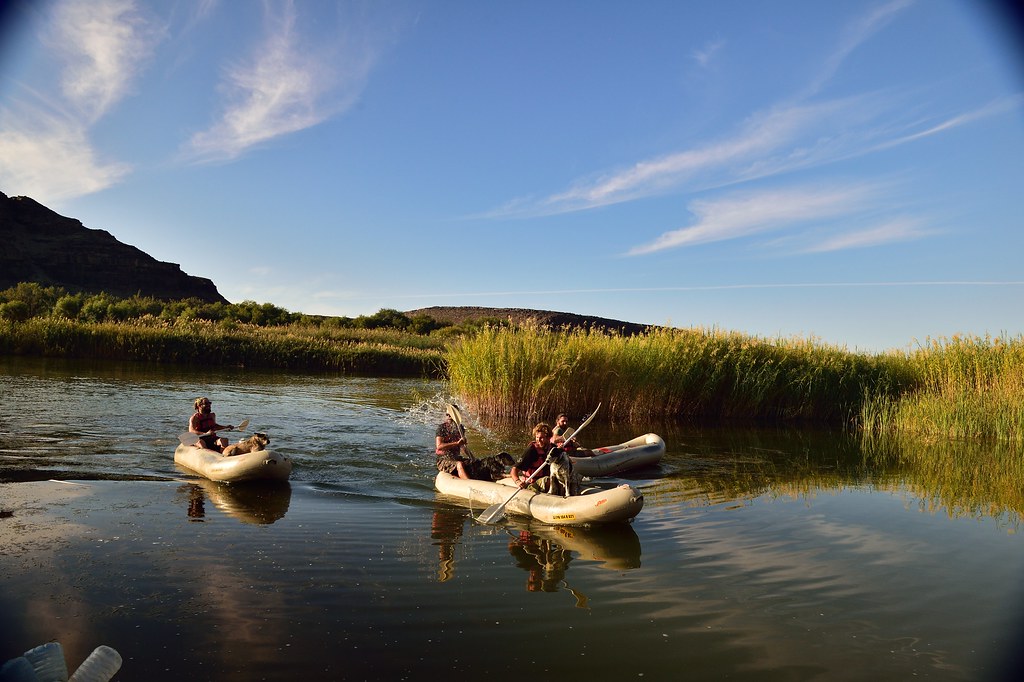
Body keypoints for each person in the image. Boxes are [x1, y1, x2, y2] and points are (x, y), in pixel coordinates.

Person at [510, 422, 557, 491]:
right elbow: (514, 470)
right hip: (532, 484)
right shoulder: (532, 450)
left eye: (541, 438)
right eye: (537, 437)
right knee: (548, 481)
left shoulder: (554, 449)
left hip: (548, 481)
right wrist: (518, 482)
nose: (538, 440)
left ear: (549, 438)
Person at [435, 412, 469, 479]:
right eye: (447, 414)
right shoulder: (442, 428)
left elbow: (462, 447)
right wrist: (456, 443)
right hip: (443, 459)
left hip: (456, 457)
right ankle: (469, 484)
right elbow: (439, 446)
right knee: (459, 464)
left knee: (473, 464)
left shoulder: (460, 428)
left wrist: (472, 457)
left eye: (451, 414)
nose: (449, 416)